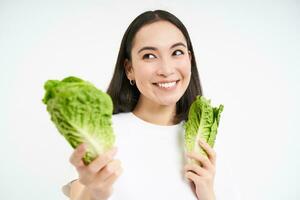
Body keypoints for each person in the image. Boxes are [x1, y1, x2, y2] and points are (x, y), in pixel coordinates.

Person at [63, 10, 239, 200]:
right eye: (149, 56)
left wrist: (208, 195)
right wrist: (95, 192)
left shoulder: (208, 143)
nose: (166, 69)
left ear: (189, 58)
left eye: (177, 52)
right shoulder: (99, 131)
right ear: (130, 69)